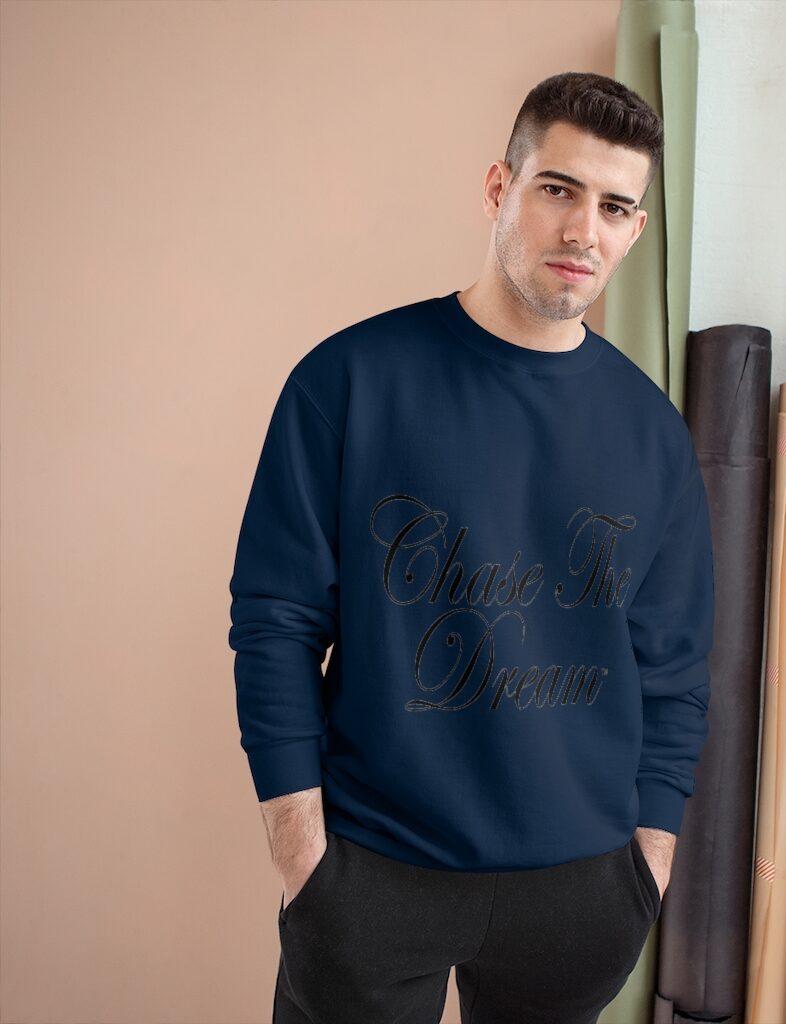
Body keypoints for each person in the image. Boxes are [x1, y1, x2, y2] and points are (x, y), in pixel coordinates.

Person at [228, 70, 715, 1024]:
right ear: (500, 187)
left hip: (582, 893)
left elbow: (676, 672)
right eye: (558, 189)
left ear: (635, 231)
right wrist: (301, 851)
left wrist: (646, 868)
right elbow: (276, 622)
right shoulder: (350, 381)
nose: (583, 230)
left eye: (614, 207)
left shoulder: (654, 433)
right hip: (371, 872)